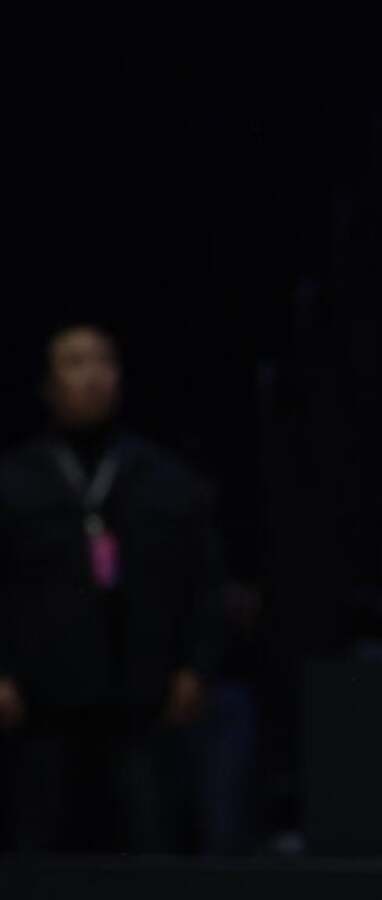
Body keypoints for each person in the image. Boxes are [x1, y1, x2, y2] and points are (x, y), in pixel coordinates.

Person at [0, 324, 225, 853]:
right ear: (48, 385)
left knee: (149, 843)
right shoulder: (13, 481)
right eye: (74, 364)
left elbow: (205, 583)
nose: (92, 376)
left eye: (103, 362)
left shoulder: (165, 479)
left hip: (141, 702)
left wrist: (197, 667)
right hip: (41, 708)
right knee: (37, 850)